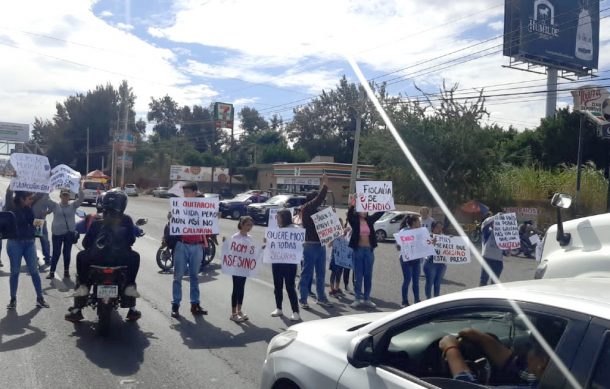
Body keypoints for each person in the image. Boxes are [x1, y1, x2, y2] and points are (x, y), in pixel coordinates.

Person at [65, 190, 140, 322]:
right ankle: (130, 297)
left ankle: (79, 299)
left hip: (96, 259)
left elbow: (86, 243)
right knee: (135, 257)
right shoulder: (127, 220)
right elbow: (131, 241)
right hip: (120, 260)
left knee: (81, 257)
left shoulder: (96, 219)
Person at [439, 328, 552, 386]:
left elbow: (467, 387)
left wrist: (451, 349)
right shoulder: (547, 379)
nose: (525, 350)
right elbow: (514, 366)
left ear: (542, 361)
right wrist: (481, 338)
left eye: (530, 347)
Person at [5, 190, 49, 309]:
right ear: (22, 198)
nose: (31, 200)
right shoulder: (11, 207)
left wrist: (41, 219)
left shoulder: (29, 208)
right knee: (15, 272)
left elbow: (34, 224)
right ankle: (13, 299)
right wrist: (12, 183)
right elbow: (8, 194)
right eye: (29, 199)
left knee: (34, 271)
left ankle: (40, 298)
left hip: (29, 243)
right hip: (15, 244)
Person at [170, 181, 208, 318]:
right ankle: (175, 305)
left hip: (197, 245)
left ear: (195, 192)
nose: (185, 194)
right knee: (178, 276)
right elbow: (173, 224)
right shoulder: (179, 205)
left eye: (187, 192)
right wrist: (171, 218)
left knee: (194, 276)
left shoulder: (203, 207)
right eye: (184, 192)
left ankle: (195, 304)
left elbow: (208, 223)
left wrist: (214, 218)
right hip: (182, 244)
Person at [298, 174, 332, 309]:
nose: (320, 202)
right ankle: (303, 299)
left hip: (320, 244)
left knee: (321, 273)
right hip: (310, 244)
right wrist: (325, 185)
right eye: (317, 199)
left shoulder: (315, 210)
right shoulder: (306, 208)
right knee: (307, 273)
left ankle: (321, 297)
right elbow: (319, 199)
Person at [347, 203, 384, 309]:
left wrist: (386, 202)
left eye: (365, 210)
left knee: (368, 275)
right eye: (362, 210)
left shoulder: (370, 220)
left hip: (369, 251)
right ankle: (357, 299)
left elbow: (380, 213)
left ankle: (367, 298)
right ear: (358, 211)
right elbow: (349, 215)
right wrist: (353, 205)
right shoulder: (354, 221)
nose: (364, 212)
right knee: (358, 276)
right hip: (358, 250)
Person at [270, 209, 301, 321]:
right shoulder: (276, 230)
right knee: (277, 286)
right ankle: (279, 308)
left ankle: (295, 312)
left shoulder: (295, 229)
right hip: (277, 262)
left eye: (278, 217)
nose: (276, 219)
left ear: (284, 217)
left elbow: (300, 244)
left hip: (289, 263)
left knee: (290, 287)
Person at [47, 187, 84, 279]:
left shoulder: (73, 205)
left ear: (69, 197)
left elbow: (81, 198)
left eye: (67, 195)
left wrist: (79, 187)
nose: (65, 197)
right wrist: (46, 185)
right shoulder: (55, 205)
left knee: (67, 253)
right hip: (57, 233)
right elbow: (45, 198)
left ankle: (66, 272)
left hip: (69, 233)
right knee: (56, 253)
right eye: (63, 195)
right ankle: (52, 272)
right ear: (60, 196)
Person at [229, 216, 254, 323]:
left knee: (242, 288)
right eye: (247, 224)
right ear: (242, 224)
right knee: (236, 288)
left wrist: (261, 249)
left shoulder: (250, 238)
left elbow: (253, 252)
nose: (249, 227)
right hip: (236, 266)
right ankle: (233, 313)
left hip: (245, 267)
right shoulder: (235, 237)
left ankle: (239, 311)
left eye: (251, 225)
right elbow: (231, 251)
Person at [397, 214, 423, 307]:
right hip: (406, 259)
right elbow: (399, 245)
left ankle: (417, 300)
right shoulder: (404, 231)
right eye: (419, 221)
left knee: (416, 280)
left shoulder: (421, 232)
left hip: (416, 258)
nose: (420, 223)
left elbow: (426, 242)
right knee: (407, 279)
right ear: (414, 222)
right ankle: (405, 301)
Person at [423, 221, 447, 299]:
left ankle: (436, 300)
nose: (439, 229)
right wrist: (431, 243)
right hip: (430, 262)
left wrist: (453, 240)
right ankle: (428, 299)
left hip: (441, 263)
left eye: (441, 227)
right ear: (433, 228)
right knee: (429, 282)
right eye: (437, 227)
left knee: (438, 283)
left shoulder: (445, 237)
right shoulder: (427, 236)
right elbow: (423, 249)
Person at [480, 211, 504, 286]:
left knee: (495, 284)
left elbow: (506, 252)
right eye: (496, 222)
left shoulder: (504, 235)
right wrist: (495, 216)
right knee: (483, 281)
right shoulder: (488, 232)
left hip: (498, 261)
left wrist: (509, 250)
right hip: (487, 259)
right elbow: (485, 223)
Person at [328, 218, 350, 297]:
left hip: (341, 257)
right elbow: (329, 245)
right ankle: (332, 289)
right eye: (338, 224)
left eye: (341, 224)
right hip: (335, 257)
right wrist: (333, 240)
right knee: (334, 273)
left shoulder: (343, 233)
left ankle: (337, 289)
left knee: (339, 273)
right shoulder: (334, 233)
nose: (340, 225)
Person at [32, 192, 53, 266]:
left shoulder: (33, 192)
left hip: (38, 221)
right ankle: (44, 257)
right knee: (41, 240)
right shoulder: (43, 194)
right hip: (34, 221)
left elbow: (51, 206)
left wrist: (46, 212)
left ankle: (45, 257)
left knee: (38, 240)